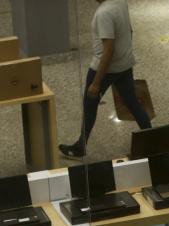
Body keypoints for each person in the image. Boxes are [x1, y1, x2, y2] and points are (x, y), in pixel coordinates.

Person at [59, 0, 151, 159]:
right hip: (125, 64)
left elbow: (108, 49)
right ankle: (153, 141)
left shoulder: (103, 13)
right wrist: (125, 56)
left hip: (105, 68)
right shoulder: (121, 2)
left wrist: (96, 82)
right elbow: (129, 31)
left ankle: (81, 147)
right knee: (132, 102)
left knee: (89, 104)